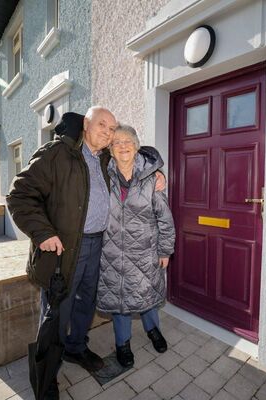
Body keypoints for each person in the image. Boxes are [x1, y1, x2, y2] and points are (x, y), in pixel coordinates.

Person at [8, 107, 168, 398]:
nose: (108, 132)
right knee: (57, 312)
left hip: (99, 245)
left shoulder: (105, 157)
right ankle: (46, 376)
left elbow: (136, 155)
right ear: (85, 124)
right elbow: (19, 193)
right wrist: (42, 232)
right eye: (102, 125)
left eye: (112, 128)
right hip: (66, 248)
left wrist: (157, 174)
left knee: (86, 303)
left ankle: (76, 348)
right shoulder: (57, 153)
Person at [96, 125, 175, 367]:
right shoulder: (101, 175)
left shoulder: (152, 179)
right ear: (110, 148)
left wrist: (165, 250)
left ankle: (153, 330)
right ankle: (122, 343)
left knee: (147, 294)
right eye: (116, 142)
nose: (122, 146)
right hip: (110, 253)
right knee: (120, 301)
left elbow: (165, 217)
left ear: (136, 145)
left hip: (144, 251)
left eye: (127, 141)